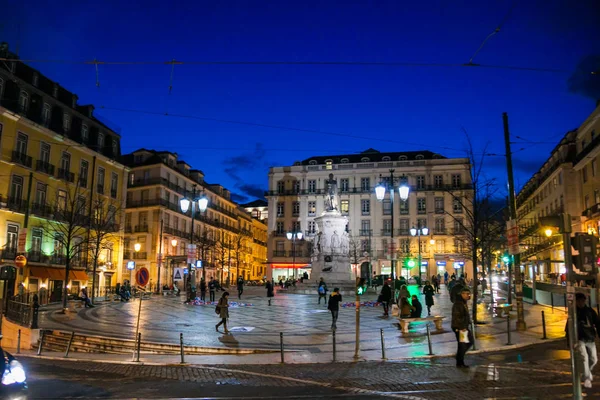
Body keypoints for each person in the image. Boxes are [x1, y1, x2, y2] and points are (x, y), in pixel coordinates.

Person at [572, 292, 600, 388]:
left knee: (594, 359)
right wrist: (570, 341)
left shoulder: (590, 311)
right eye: (578, 301)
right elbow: (568, 327)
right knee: (584, 358)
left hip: (590, 338)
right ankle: (587, 378)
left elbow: (598, 323)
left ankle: (586, 373)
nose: (580, 303)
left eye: (582, 301)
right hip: (580, 339)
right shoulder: (573, 312)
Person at [451, 287, 473, 368]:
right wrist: (462, 327)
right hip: (460, 327)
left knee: (469, 342)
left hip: (463, 327)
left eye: (469, 294)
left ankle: (459, 358)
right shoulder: (458, 303)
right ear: (462, 294)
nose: (468, 295)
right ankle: (460, 362)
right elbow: (457, 317)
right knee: (462, 345)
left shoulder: (463, 302)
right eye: (467, 294)